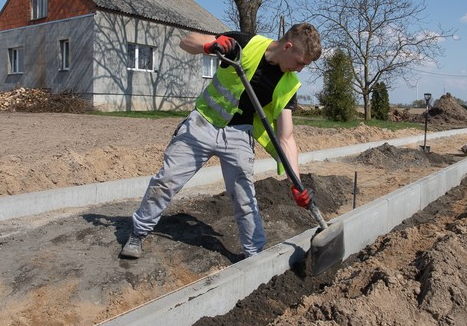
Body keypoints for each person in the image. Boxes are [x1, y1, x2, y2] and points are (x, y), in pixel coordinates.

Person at [120, 22, 323, 260]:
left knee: (245, 198)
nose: (299, 69)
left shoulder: (288, 83)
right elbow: (186, 41)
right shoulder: (244, 43)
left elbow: (286, 136)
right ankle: (138, 232)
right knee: (166, 180)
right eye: (300, 62)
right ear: (288, 47)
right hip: (202, 123)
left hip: (239, 134)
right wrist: (210, 45)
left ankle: (254, 255)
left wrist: (295, 183)